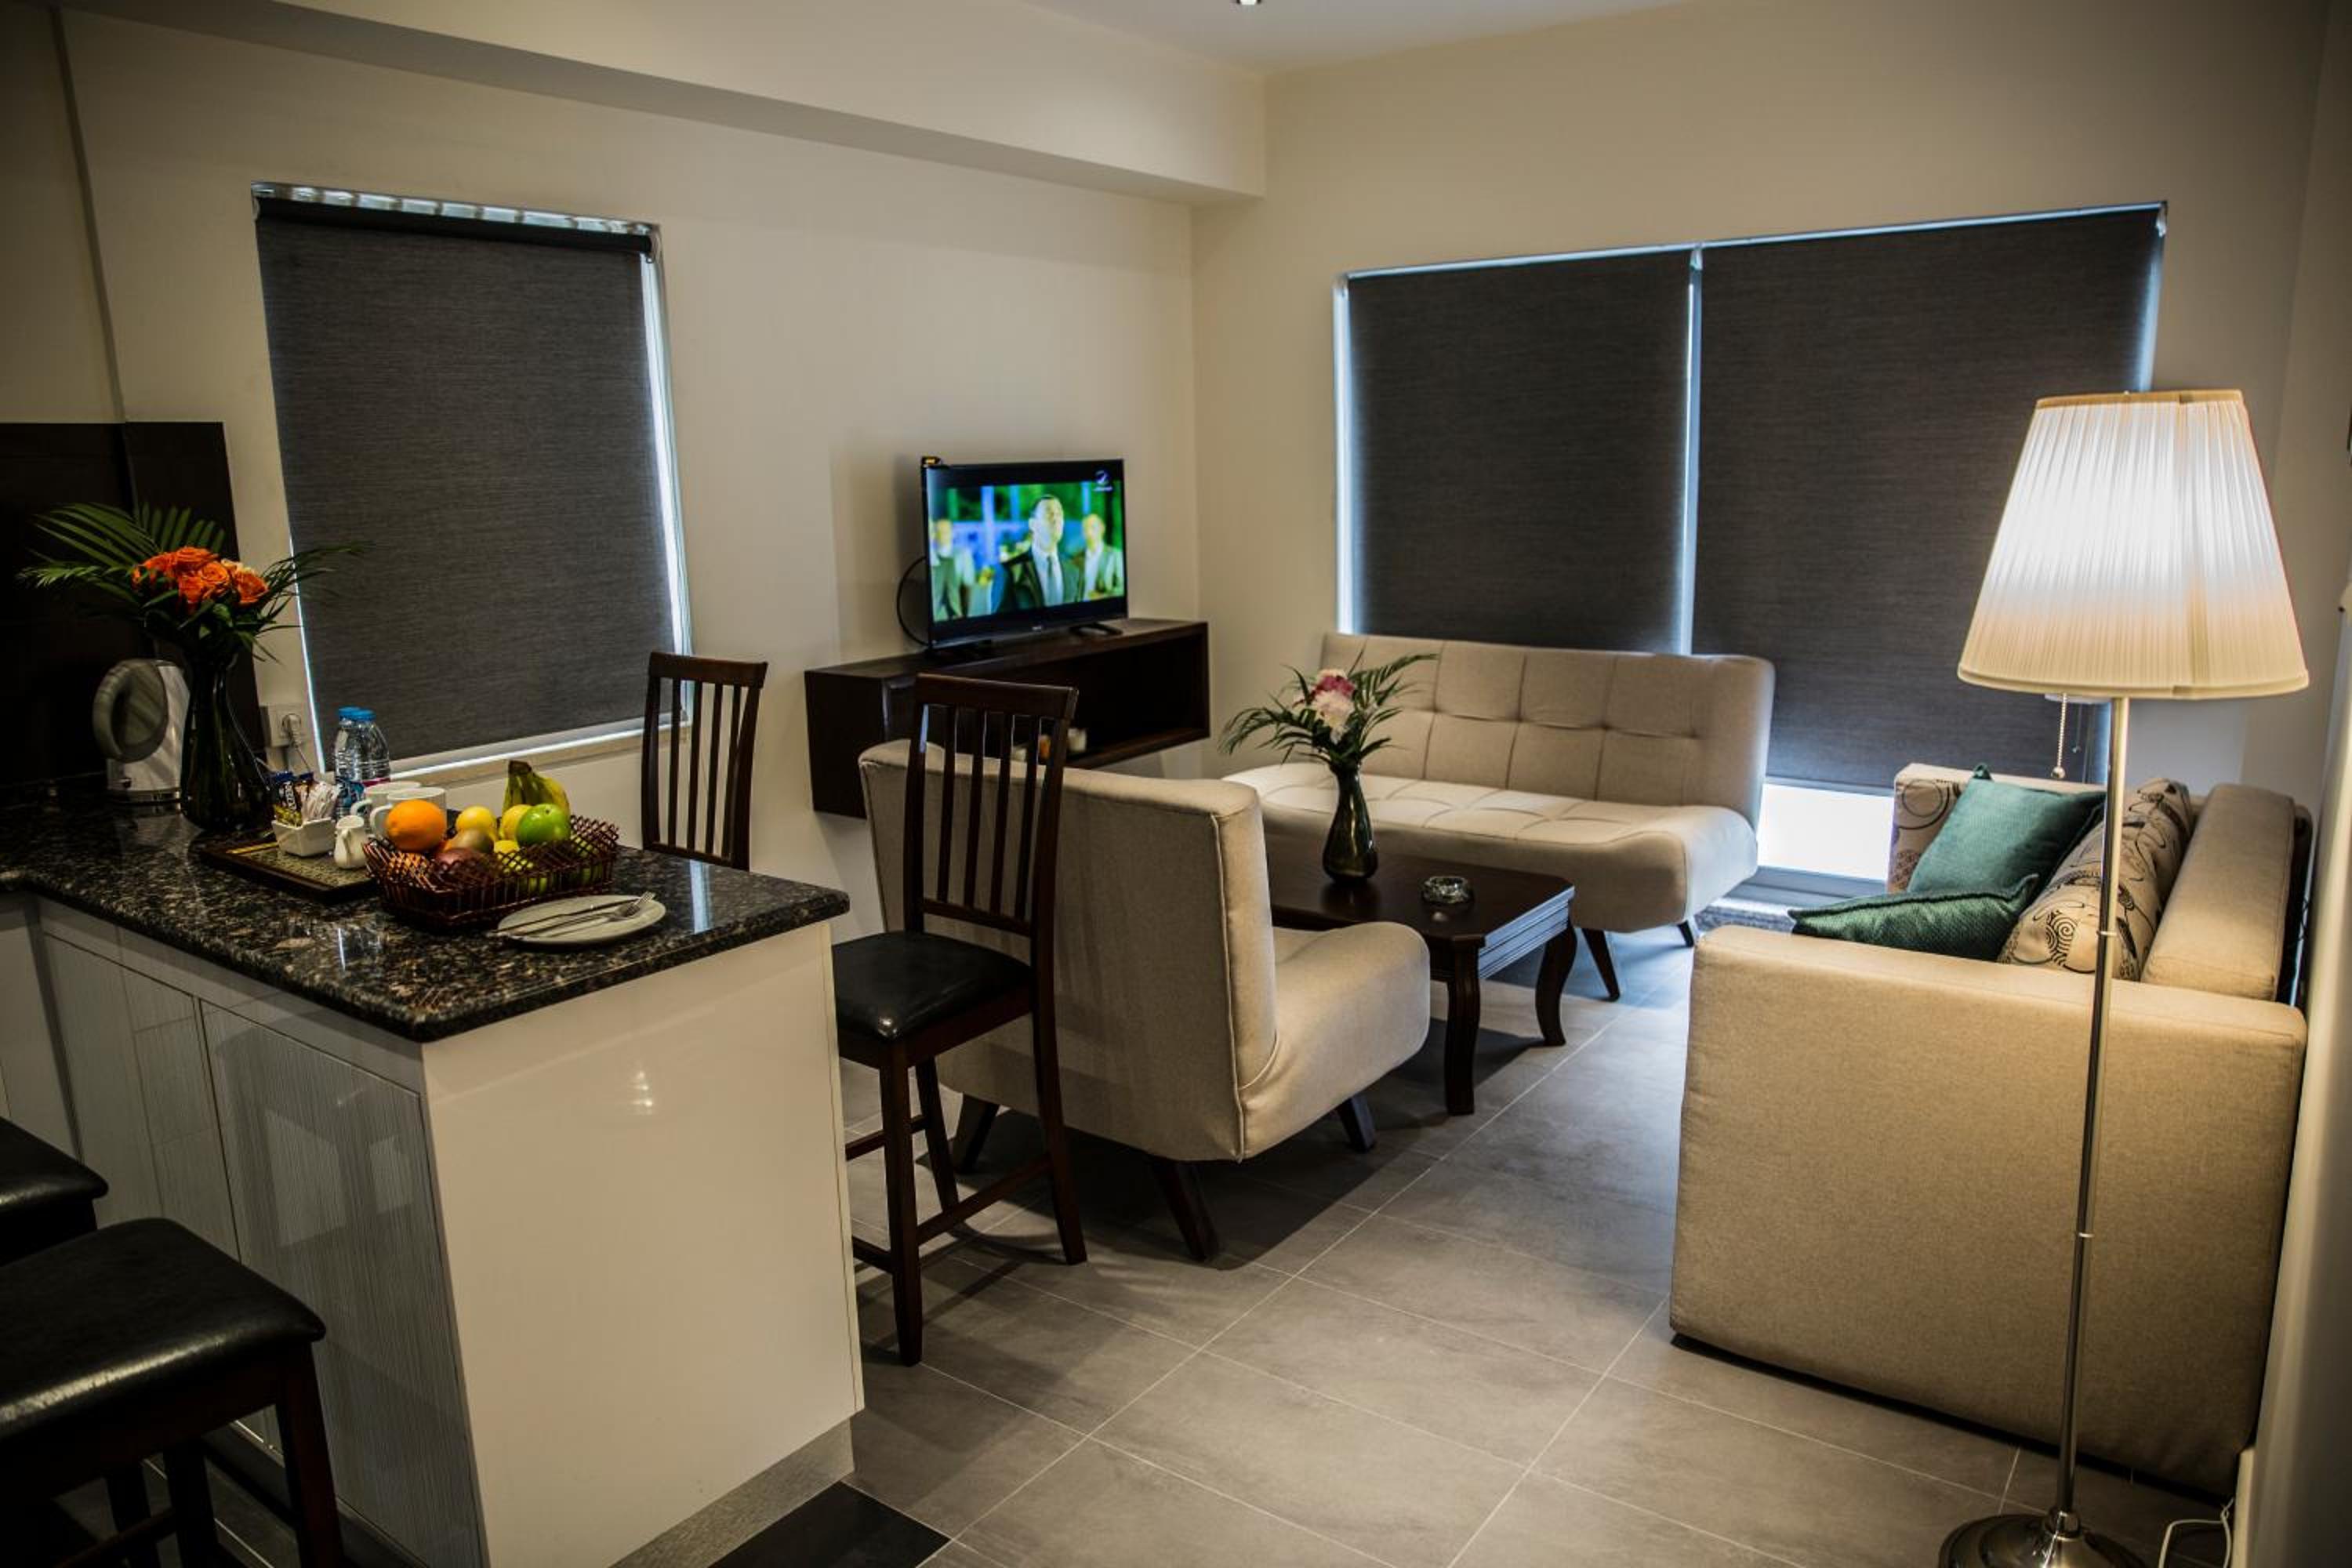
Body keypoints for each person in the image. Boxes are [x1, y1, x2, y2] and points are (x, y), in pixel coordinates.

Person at [997, 498, 1071, 610]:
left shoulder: (1074, 571)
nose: (1056, 519)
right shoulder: (1010, 571)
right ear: (1032, 524)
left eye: (1059, 514)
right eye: (1049, 513)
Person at [928, 517, 991, 621]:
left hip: (957, 607)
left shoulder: (963, 554)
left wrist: (965, 616)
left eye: (946, 531)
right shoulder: (932, 556)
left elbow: (968, 585)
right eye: (938, 531)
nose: (942, 534)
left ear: (952, 533)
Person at [1076, 511, 1124, 601]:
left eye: (1093, 527)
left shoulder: (1115, 556)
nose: (1089, 532)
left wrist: (1103, 597)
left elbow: (1122, 588)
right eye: (1085, 529)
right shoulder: (1077, 559)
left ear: (1102, 528)